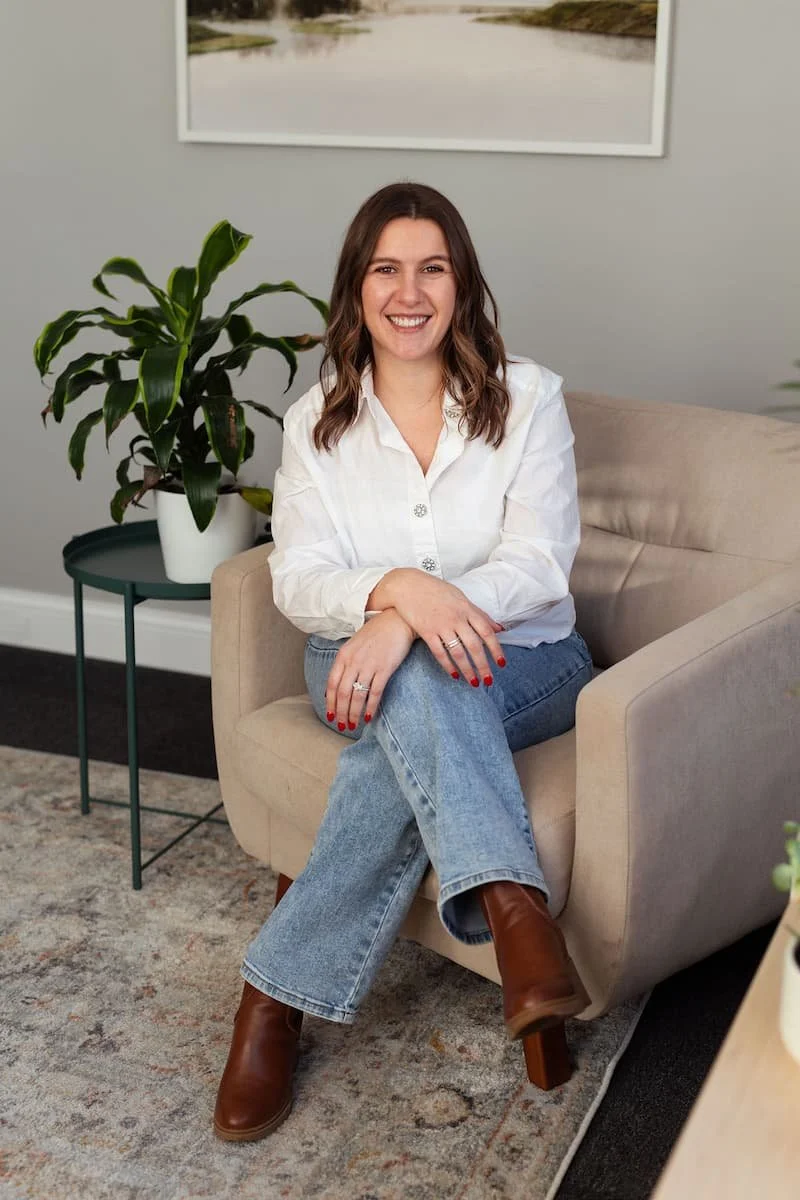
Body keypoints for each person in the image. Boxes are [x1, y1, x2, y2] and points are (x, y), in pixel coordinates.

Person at [213, 182, 594, 1142]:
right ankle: (514, 910)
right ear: (357, 287)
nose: (409, 292)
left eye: (433, 269)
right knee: (416, 682)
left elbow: (539, 563)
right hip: (350, 662)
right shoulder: (316, 423)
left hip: (529, 662)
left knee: (418, 687)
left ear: (462, 285)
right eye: (387, 269)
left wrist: (408, 626)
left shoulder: (531, 398)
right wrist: (398, 595)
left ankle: (271, 1003)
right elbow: (298, 578)